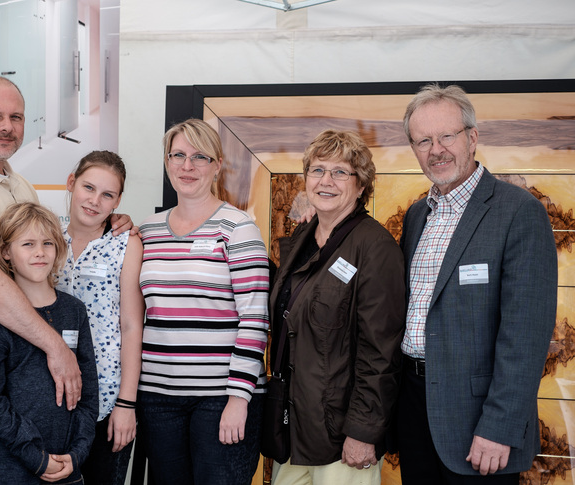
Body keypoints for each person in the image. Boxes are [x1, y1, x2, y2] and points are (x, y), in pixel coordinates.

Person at [0, 75, 132, 484]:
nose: (6, 126)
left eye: (15, 117)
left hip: (22, 350)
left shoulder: (18, 185)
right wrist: (57, 346)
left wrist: (112, 223)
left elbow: (48, 240)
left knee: (16, 470)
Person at [396, 83, 558, 484]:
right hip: (415, 408)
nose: (437, 150)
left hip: (479, 424)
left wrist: (500, 426)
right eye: (423, 141)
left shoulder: (519, 212)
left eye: (447, 135)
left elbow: (526, 334)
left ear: (472, 137)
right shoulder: (417, 216)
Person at [268, 130, 406, 485]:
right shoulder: (301, 239)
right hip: (296, 428)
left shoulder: (375, 248)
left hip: (344, 438)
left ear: (361, 186)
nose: (326, 181)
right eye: (317, 170)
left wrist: (362, 432)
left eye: (340, 172)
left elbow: (381, 353)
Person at [137, 118, 269, 485]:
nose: (187, 166)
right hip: (157, 397)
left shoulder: (238, 228)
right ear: (167, 163)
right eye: (177, 155)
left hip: (220, 398)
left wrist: (239, 398)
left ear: (217, 165)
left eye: (199, 157)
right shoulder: (146, 231)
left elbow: (255, 317)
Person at [0, 202, 99, 483]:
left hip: (68, 468)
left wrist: (77, 454)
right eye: (27, 244)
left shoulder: (74, 311)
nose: (40, 252)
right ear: (6, 253)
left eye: (47, 243)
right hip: (10, 472)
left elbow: (88, 395)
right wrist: (37, 459)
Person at [57, 151, 144, 485]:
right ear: (71, 183)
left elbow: (132, 325)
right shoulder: (46, 237)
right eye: (88, 188)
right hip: (52, 389)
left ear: (117, 201)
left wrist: (126, 403)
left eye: (107, 194)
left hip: (106, 395)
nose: (94, 200)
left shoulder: (126, 243)